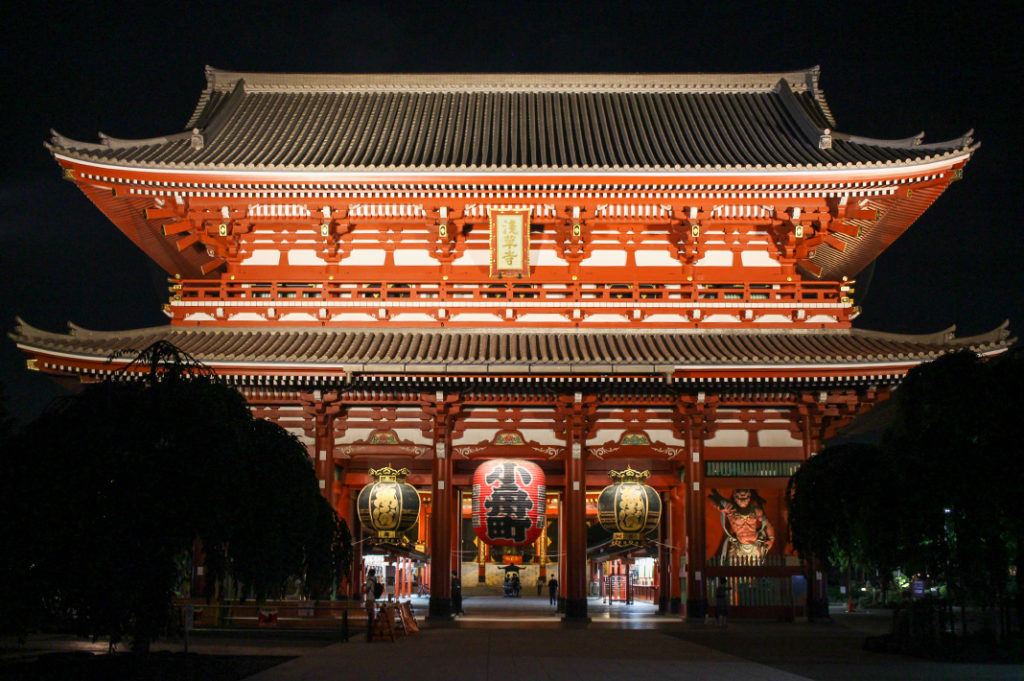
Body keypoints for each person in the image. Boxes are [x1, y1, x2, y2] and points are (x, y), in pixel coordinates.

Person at [363, 568, 378, 641]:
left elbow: (368, 589)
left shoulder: (369, 580)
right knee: (372, 610)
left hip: (369, 598)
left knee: (368, 610)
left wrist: (362, 593)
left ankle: (370, 623)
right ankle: (371, 621)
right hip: (373, 598)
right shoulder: (375, 579)